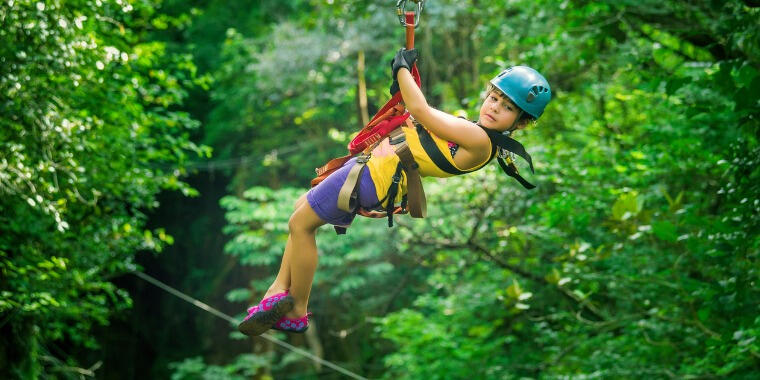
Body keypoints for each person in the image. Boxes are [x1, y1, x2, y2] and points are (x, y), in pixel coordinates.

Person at [238, 48, 551, 336]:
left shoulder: (480, 140)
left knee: (300, 225)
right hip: (376, 169)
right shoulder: (477, 134)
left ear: (520, 122)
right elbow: (422, 119)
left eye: (508, 108)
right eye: (495, 98)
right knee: (298, 210)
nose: (495, 108)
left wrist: (401, 69)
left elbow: (421, 109)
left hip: (375, 175)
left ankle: (297, 308)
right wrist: (406, 80)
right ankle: (278, 290)